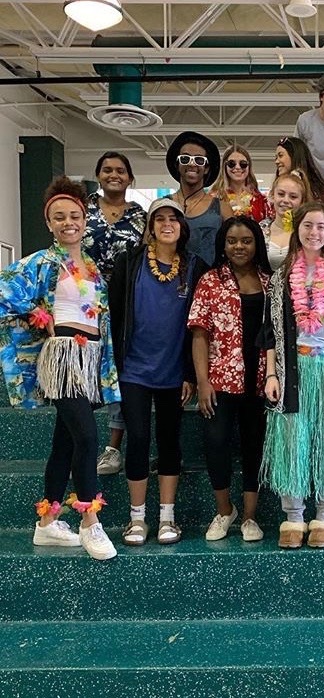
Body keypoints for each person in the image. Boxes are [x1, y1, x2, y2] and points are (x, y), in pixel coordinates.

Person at [0, 176, 119, 560]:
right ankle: (89, 521)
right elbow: (5, 291)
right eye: (59, 217)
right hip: (63, 357)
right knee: (87, 438)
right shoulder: (40, 262)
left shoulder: (90, 265)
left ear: (85, 219)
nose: (69, 222)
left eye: (75, 215)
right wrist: (37, 313)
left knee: (65, 441)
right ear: (48, 223)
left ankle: (48, 521)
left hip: (89, 357)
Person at [261, 202, 324, 549]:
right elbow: (270, 331)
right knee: (292, 441)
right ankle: (293, 518)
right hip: (293, 371)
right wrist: (271, 375)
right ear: (297, 229)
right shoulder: (280, 278)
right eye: (308, 225)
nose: (314, 232)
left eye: (321, 226)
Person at [109, 199, 204, 546]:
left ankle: (167, 517)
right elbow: (115, 313)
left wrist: (191, 374)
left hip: (173, 372)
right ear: (150, 227)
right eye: (159, 219)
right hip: (133, 368)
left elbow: (199, 328)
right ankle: (137, 520)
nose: (167, 224)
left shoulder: (195, 266)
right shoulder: (130, 263)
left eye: (173, 219)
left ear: (182, 227)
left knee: (169, 441)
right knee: (137, 438)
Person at [189, 216, 272, 542]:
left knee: (255, 447)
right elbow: (199, 334)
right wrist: (203, 381)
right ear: (222, 245)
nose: (239, 246)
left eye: (247, 240)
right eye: (232, 241)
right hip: (220, 380)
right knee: (216, 442)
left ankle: (250, 517)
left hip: (262, 381)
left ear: (257, 245)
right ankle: (225, 511)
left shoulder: (269, 282)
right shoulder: (210, 281)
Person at [81, 152, 146, 478]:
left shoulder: (140, 217)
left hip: (126, 306)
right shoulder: (83, 211)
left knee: (121, 373)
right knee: (87, 375)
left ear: (130, 178)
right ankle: (82, 443)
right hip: (85, 304)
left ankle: (113, 447)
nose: (114, 175)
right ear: (98, 174)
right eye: (107, 169)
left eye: (121, 170)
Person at [166, 130, 232, 266]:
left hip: (210, 283)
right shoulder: (162, 206)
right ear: (177, 165)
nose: (192, 164)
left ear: (207, 168)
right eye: (185, 159)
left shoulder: (222, 208)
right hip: (167, 282)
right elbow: (147, 251)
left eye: (199, 160)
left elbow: (235, 250)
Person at [259, 172, 312, 271]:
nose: (286, 200)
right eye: (281, 194)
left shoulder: (309, 232)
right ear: (272, 195)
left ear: (302, 201)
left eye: (293, 197)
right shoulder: (260, 229)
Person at [210, 145, 270, 223]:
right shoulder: (213, 199)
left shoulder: (261, 200)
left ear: (249, 167)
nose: (238, 167)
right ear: (225, 166)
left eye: (243, 164)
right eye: (232, 163)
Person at [274, 136, 324, 204]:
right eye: (281, 194)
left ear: (294, 156)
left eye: (281, 155)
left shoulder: (320, 195)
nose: (276, 161)